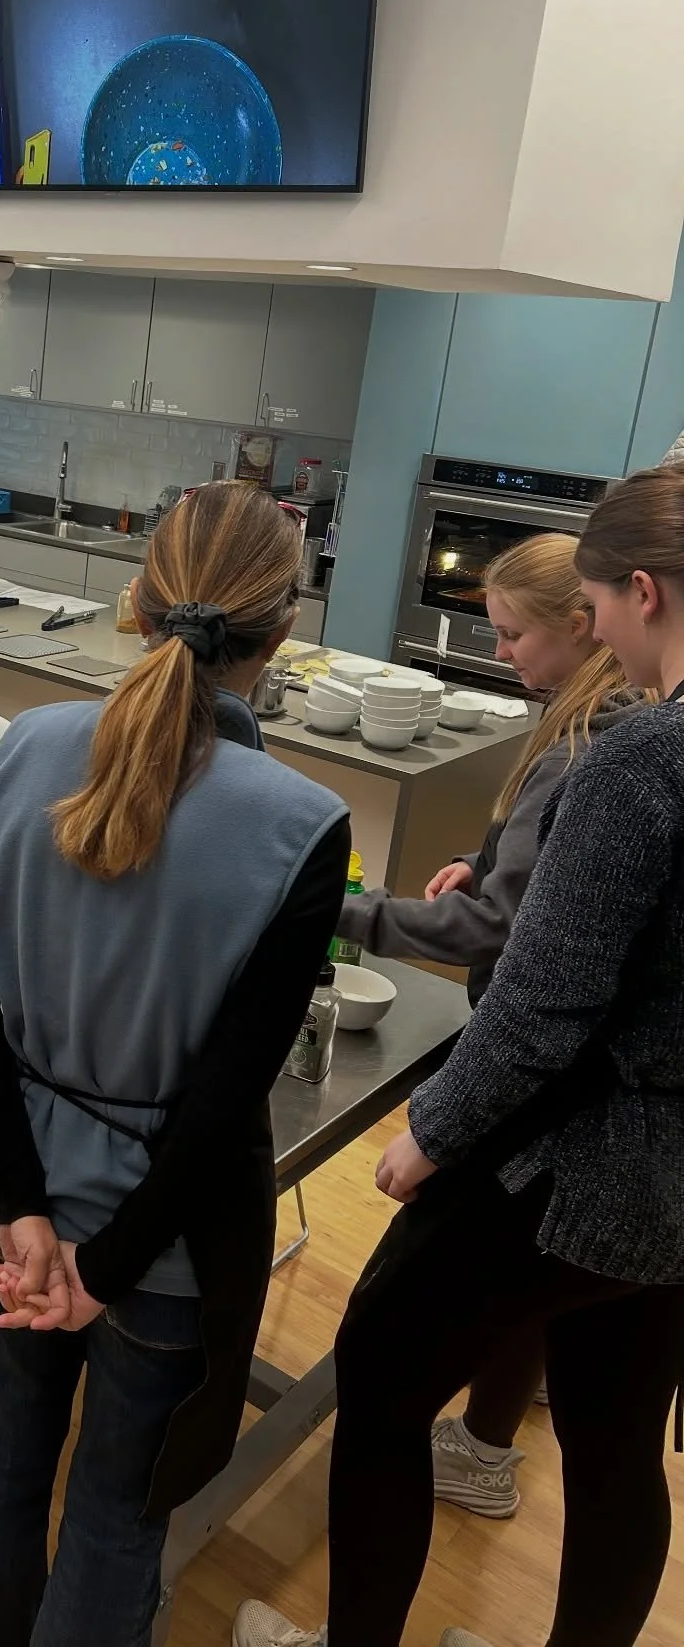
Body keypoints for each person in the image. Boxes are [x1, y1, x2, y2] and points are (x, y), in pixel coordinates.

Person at [237, 463, 684, 1647]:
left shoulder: (639, 762)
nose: (595, 635)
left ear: (644, 593)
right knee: (615, 1441)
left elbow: (543, 1006)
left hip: (577, 1165)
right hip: (675, 1195)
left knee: (380, 1374)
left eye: (597, 609)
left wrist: (435, 1136)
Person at [0, 481, 350, 1647]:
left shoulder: (25, 745)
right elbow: (220, 1108)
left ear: (136, 602)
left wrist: (24, 1212)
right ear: (287, 630)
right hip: (158, 1254)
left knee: (2, 1464)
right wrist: (105, 1266)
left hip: (5, 1212)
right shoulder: (303, 823)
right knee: (117, 1516)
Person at [337, 533, 640, 1519]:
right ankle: (489, 1442)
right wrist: (486, 859)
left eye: (514, 633)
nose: (501, 650)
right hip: (604, 1117)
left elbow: (513, 936)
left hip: (542, 1087)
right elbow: (530, 881)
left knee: (396, 1335)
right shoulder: (600, 719)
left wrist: (356, 912)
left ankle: (476, 1453)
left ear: (588, 620)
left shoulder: (594, 746)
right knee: (551, 1296)